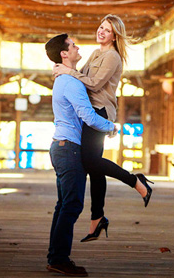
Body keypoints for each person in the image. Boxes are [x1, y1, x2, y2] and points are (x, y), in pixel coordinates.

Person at [52, 15, 153, 241]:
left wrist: (68, 72)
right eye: (100, 27)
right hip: (92, 110)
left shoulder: (112, 56)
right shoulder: (96, 53)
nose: (101, 32)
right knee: (94, 167)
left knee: (91, 162)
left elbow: (95, 83)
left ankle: (136, 182)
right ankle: (97, 220)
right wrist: (64, 71)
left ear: (114, 36)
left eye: (107, 30)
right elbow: (81, 79)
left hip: (100, 112)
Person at [45, 33, 117, 277]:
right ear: (64, 53)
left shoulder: (67, 78)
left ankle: (56, 257)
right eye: (73, 45)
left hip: (62, 146)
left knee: (63, 204)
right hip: (68, 148)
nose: (78, 47)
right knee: (72, 204)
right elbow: (88, 116)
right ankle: (59, 258)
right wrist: (112, 127)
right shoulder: (72, 82)